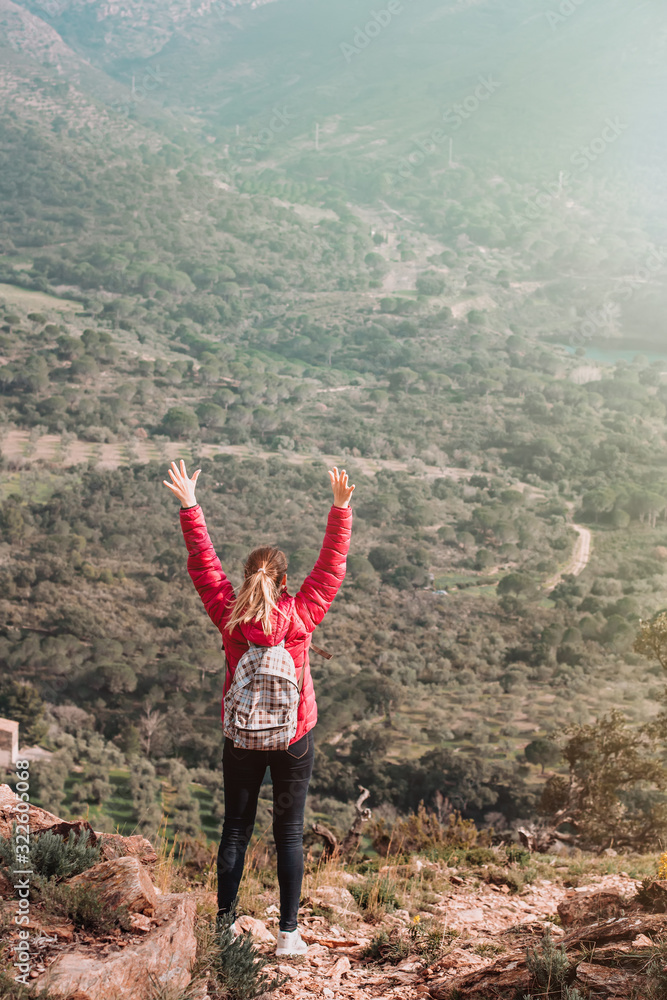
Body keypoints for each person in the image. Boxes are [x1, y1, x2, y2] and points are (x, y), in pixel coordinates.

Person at [163, 459, 354, 956]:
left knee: (235, 830)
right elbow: (331, 567)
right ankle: (289, 935)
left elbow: (203, 565)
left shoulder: (229, 612)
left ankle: (224, 930)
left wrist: (190, 506)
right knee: (289, 832)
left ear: (247, 579)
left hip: (241, 738)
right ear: (286, 581)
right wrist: (340, 509)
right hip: (294, 737)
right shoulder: (302, 612)